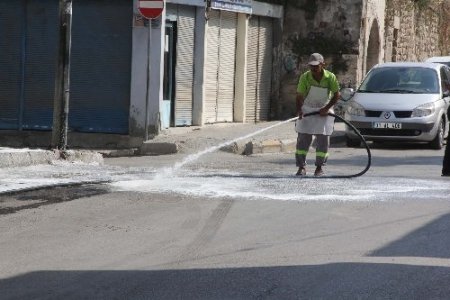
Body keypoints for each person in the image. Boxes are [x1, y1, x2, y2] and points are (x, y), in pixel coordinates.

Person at [295, 53, 340, 176]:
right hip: (308, 110)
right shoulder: (305, 77)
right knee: (303, 140)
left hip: (324, 111)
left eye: (316, 66)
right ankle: (301, 167)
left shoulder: (330, 77)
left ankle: (319, 167)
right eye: (311, 66)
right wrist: (300, 111)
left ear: (322, 65)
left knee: (323, 140)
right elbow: (299, 96)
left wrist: (326, 109)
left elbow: (337, 95)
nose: (313, 69)